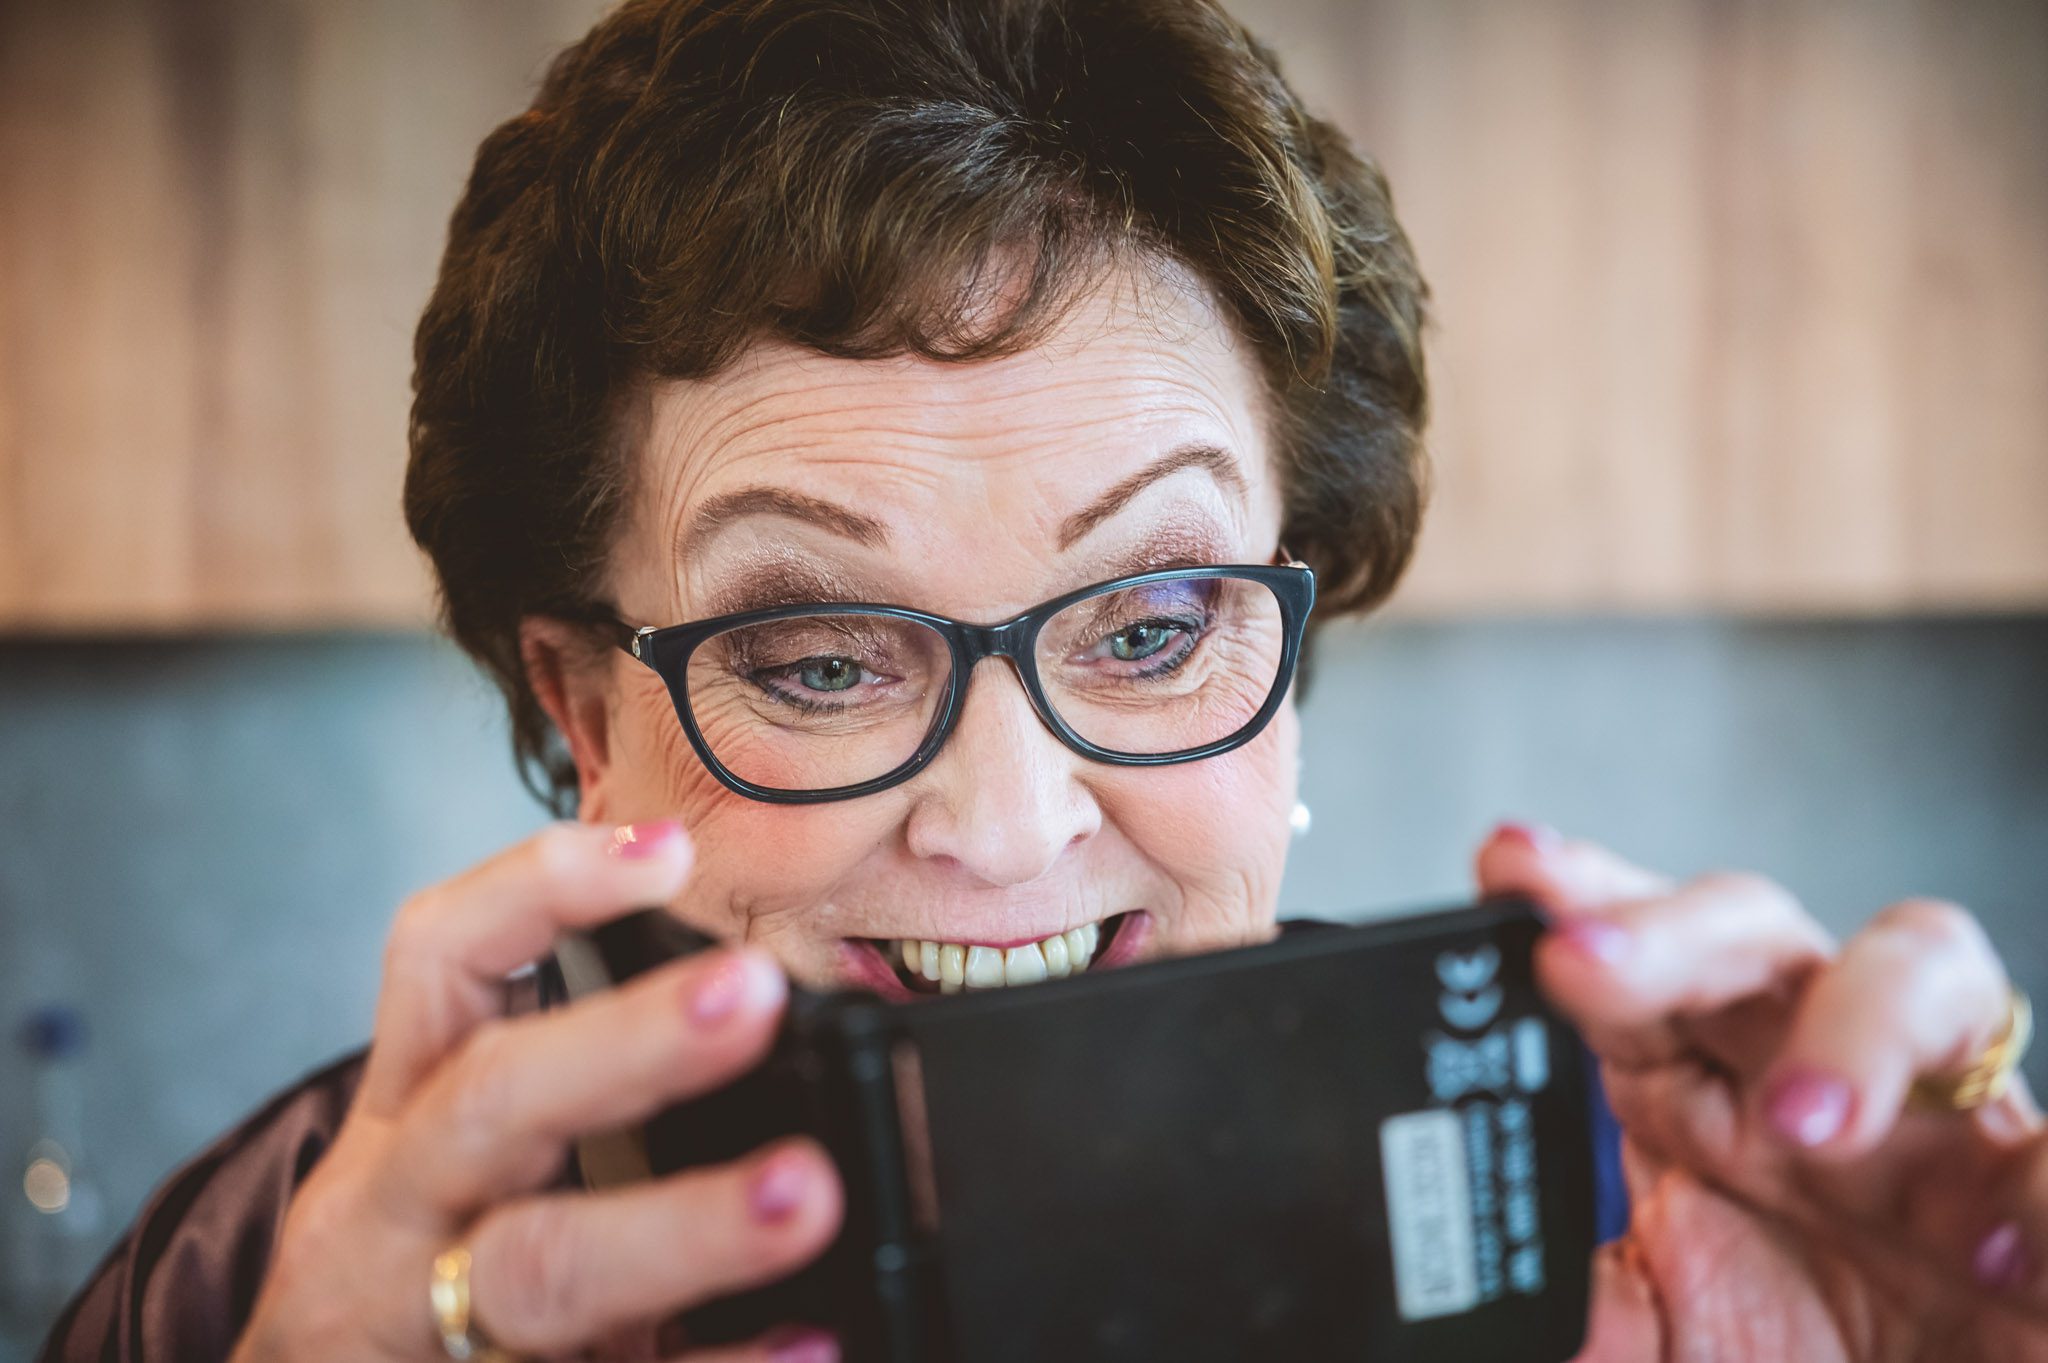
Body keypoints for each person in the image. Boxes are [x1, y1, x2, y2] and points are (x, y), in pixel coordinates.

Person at [41, 0, 2046, 1360]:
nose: (1004, 824)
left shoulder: (1621, 1216)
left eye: (1153, 627)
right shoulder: (294, 1281)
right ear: (581, 712)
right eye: (817, 655)